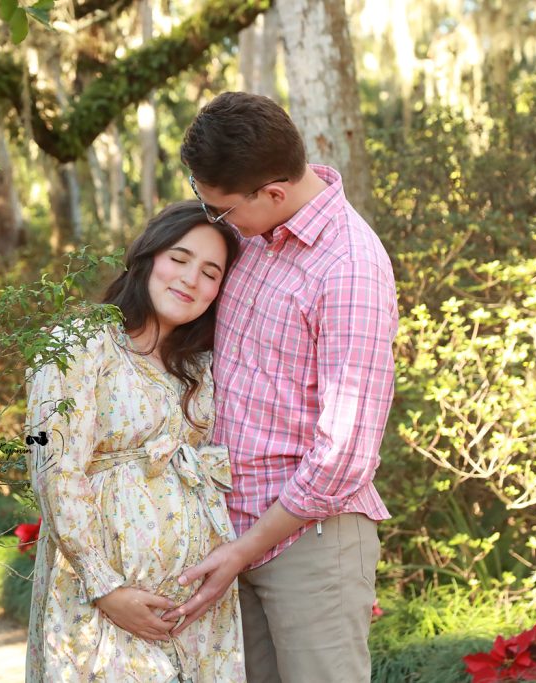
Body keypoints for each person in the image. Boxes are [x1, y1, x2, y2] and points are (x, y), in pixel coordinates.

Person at [162, 92, 399, 682]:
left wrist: (244, 549)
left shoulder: (349, 268)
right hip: (229, 529)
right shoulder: (253, 235)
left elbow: (345, 454)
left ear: (272, 192)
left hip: (310, 543)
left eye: (220, 210)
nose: (216, 221)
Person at [24, 201, 246, 682]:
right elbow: (53, 469)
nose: (191, 279)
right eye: (179, 258)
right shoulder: (78, 343)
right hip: (104, 598)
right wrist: (107, 588)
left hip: (199, 613)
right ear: (148, 255)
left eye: (211, 273)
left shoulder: (200, 367)